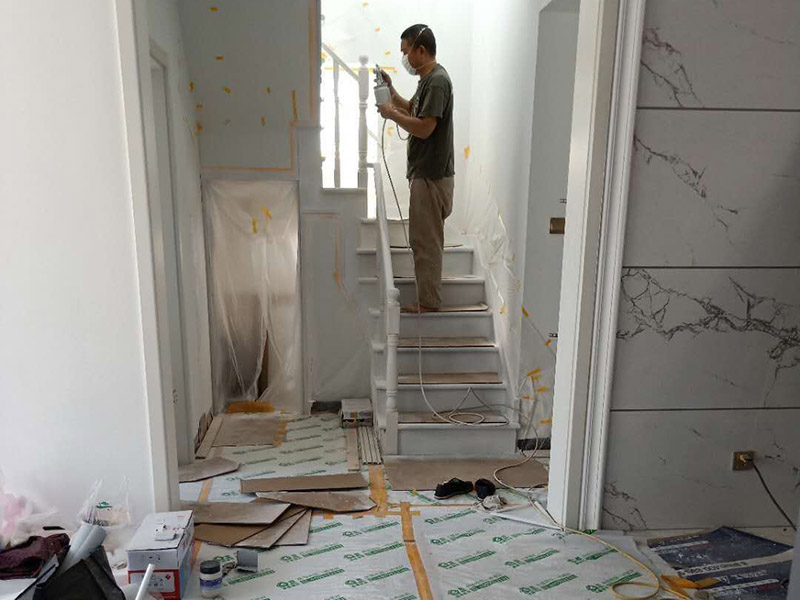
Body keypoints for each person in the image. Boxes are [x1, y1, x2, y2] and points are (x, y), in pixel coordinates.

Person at [378, 24, 454, 313]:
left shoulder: (437, 82)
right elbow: (413, 109)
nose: (404, 58)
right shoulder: (428, 81)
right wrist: (391, 93)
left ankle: (428, 303)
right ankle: (428, 300)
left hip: (432, 176)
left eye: (405, 51)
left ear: (420, 50)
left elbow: (425, 128)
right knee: (423, 239)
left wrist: (391, 114)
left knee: (426, 241)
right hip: (426, 174)